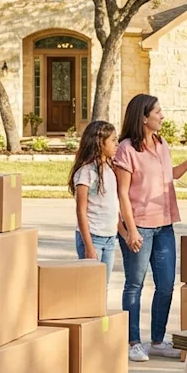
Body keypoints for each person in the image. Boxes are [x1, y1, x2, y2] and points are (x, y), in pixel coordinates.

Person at [113, 94, 187, 363]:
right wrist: (130, 231)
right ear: (143, 117)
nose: (162, 115)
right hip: (140, 225)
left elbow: (169, 175)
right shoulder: (126, 149)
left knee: (166, 285)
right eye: (158, 111)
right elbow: (122, 193)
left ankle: (156, 340)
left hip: (165, 225)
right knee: (135, 284)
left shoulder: (162, 144)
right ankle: (132, 342)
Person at [69, 121, 122, 295]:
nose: (117, 144)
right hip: (93, 238)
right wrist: (89, 247)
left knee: (102, 289)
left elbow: (113, 206)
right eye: (113, 140)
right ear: (100, 143)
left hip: (109, 238)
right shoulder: (86, 172)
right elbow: (81, 211)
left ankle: (99, 322)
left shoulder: (110, 168)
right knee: (91, 290)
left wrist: (124, 232)